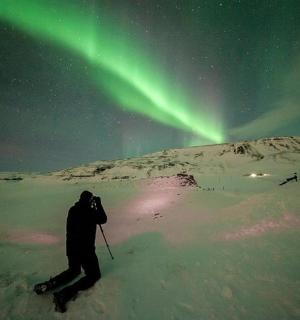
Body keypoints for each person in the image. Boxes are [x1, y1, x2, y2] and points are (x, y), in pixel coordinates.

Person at [33, 190, 107, 312]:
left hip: (71, 248)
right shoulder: (90, 212)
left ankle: (50, 284)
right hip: (86, 250)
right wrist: (98, 203)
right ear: (90, 201)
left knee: (74, 270)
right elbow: (103, 219)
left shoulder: (73, 210)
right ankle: (64, 294)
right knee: (94, 275)